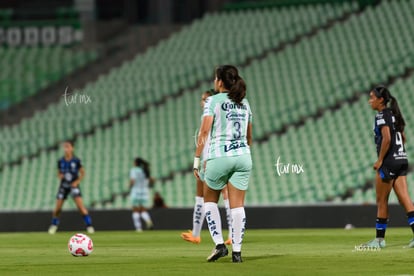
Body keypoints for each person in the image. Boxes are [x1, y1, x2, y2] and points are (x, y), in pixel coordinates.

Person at [193, 65, 253, 262]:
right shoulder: (245, 103)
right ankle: (237, 253)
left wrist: (197, 160)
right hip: (243, 156)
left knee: (209, 200)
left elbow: (203, 133)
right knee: (237, 207)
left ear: (219, 81)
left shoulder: (213, 101)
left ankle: (219, 244)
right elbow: (249, 136)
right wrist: (242, 152)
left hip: (219, 157)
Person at [360, 85, 414, 248]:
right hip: (402, 159)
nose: (370, 101)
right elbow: (402, 138)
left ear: (380, 100)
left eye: (372, 98)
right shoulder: (394, 114)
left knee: (381, 200)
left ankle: (379, 240)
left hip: (389, 162)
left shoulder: (382, 116)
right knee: (406, 200)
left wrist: (380, 160)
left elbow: (387, 138)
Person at [181, 90, 233, 245]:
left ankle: (231, 234)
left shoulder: (214, 114)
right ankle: (196, 233)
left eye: (205, 99)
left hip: (213, 159)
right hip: (207, 158)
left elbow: (210, 137)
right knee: (200, 196)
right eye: (202, 99)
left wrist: (206, 159)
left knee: (224, 195)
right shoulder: (208, 115)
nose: (202, 102)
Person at [48, 140, 94, 234]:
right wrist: (60, 176)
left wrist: (77, 182)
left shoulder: (76, 160)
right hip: (64, 186)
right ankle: (54, 225)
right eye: (65, 147)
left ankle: (89, 226)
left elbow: (82, 173)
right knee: (57, 208)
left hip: (73, 186)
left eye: (68, 147)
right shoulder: (60, 161)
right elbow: (59, 173)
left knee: (81, 207)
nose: (66, 149)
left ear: (72, 148)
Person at [130, 157, 154, 232]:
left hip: (136, 191)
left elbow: (132, 181)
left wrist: (130, 186)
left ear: (136, 163)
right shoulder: (145, 170)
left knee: (135, 210)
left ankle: (138, 228)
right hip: (144, 192)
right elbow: (151, 180)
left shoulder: (134, 170)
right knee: (143, 210)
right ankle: (148, 220)